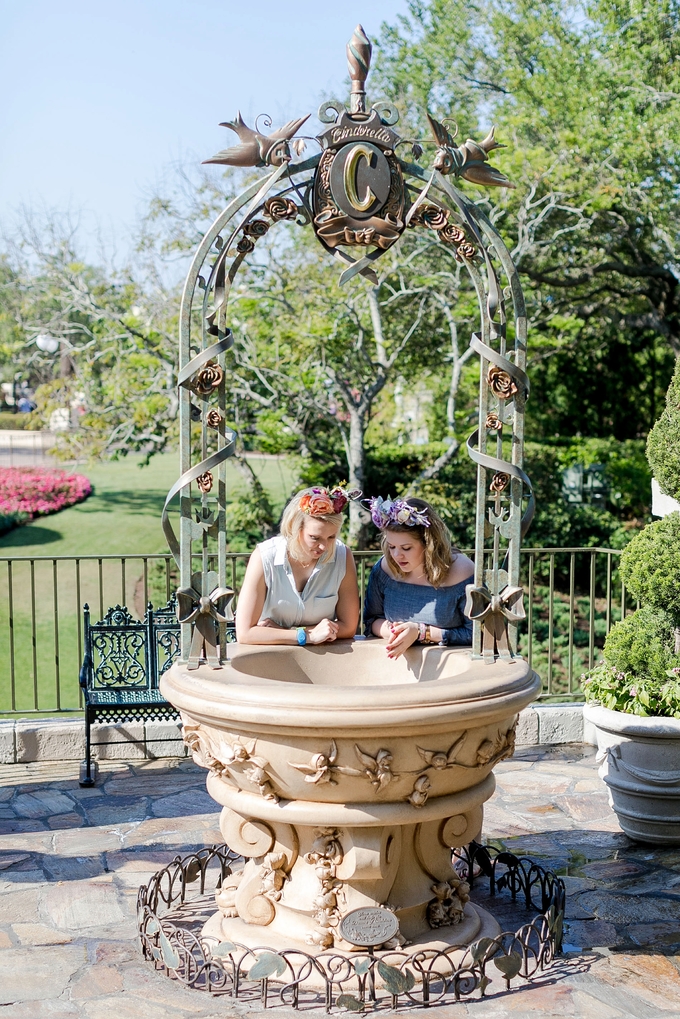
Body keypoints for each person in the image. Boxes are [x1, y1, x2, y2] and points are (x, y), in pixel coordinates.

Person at [235, 486, 360, 645]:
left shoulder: (343, 556)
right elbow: (245, 633)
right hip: (268, 660)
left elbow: (349, 627)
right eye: (315, 538)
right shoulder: (264, 557)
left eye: (331, 537)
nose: (324, 547)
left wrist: (286, 632)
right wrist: (307, 636)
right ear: (294, 527)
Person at [363, 496, 474, 659]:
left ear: (429, 544)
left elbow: (479, 634)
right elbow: (371, 621)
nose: (396, 555)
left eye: (406, 548)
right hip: (393, 666)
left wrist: (421, 632)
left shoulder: (463, 571)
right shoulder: (383, 569)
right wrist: (398, 632)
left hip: (451, 668)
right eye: (391, 546)